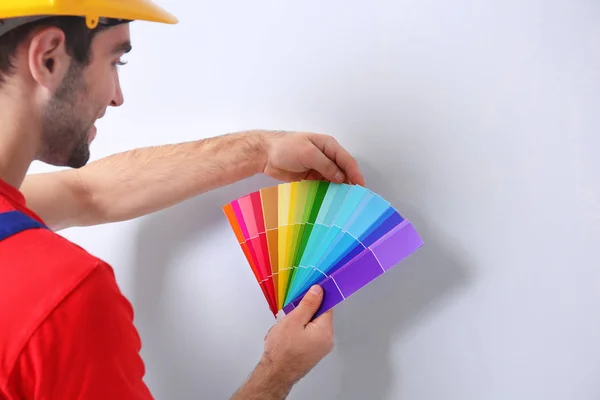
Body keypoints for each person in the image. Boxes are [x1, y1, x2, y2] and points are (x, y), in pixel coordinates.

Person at [0, 2, 365, 400]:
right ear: (49, 58)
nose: (117, 96)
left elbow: (87, 193)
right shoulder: (64, 300)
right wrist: (278, 371)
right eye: (115, 61)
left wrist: (260, 150)